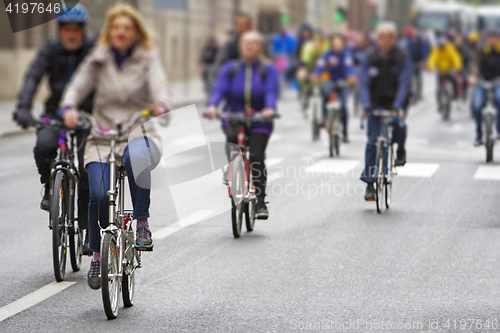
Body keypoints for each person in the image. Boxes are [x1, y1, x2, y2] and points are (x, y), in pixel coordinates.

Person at [60, 3, 171, 290]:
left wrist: (161, 103)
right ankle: (97, 255)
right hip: (101, 135)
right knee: (97, 193)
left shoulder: (147, 58)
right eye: (116, 28)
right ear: (110, 31)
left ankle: (142, 221)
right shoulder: (98, 59)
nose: (121, 32)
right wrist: (70, 105)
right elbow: (78, 85)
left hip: (137, 131)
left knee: (136, 157)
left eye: (127, 28)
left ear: (135, 32)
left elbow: (159, 84)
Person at [13, 4, 94, 251]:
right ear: (60, 30)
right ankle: (49, 187)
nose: (71, 34)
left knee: (89, 166)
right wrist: (23, 108)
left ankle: (87, 227)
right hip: (55, 112)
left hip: (86, 114)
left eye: (76, 30)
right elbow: (33, 76)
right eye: (67, 29)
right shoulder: (50, 48)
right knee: (44, 146)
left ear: (82, 31)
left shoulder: (93, 49)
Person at [204, 31, 279, 219]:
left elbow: (271, 91)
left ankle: (260, 201)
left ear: (259, 47)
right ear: (240, 47)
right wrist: (213, 106)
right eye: (246, 43)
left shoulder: (266, 69)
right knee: (231, 137)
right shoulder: (230, 68)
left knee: (256, 155)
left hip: (259, 118)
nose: (249, 46)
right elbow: (219, 89)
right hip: (235, 116)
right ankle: (232, 166)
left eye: (254, 43)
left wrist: (269, 108)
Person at [359, 22, 411, 201]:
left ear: (394, 39)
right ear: (377, 39)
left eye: (389, 37)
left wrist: (398, 106)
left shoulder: (402, 57)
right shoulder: (370, 57)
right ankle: (370, 184)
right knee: (373, 141)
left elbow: (404, 83)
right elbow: (364, 82)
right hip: (375, 105)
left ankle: (401, 150)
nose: (385, 40)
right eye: (382, 37)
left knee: (399, 125)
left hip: (395, 103)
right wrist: (366, 104)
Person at [312, 33, 356, 143]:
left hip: (342, 81)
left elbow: (349, 67)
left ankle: (345, 132)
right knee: (325, 95)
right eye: (335, 44)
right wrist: (316, 74)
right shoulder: (327, 55)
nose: (337, 46)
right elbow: (320, 66)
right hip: (329, 80)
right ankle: (325, 117)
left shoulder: (346, 55)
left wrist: (351, 76)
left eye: (339, 44)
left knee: (343, 106)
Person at [470, 29, 500, 147]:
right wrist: (472, 76)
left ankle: (499, 131)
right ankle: (479, 135)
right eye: (490, 38)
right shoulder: (481, 51)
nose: (492, 40)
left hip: (497, 82)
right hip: (482, 82)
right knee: (477, 106)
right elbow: (474, 64)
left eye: (494, 38)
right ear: (486, 39)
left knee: (499, 99)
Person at [210, 13, 254, 86]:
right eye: (239, 25)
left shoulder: (259, 42)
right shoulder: (230, 44)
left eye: (245, 24)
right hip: (235, 84)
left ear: (251, 25)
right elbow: (219, 64)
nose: (242, 27)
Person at [427, 36, 462, 111]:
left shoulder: (450, 48)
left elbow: (455, 57)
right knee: (438, 89)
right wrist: (430, 66)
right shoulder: (436, 50)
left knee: (454, 81)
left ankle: (455, 96)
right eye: (440, 47)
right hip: (440, 71)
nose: (442, 49)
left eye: (443, 47)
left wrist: (457, 66)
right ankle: (439, 105)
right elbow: (432, 58)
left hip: (449, 70)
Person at [399, 26, 429, 102]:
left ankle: (419, 94)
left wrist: (424, 60)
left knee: (419, 79)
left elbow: (424, 51)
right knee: (410, 79)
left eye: (417, 38)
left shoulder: (421, 43)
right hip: (411, 62)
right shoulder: (409, 43)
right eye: (415, 37)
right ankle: (411, 94)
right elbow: (406, 52)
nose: (416, 39)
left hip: (418, 62)